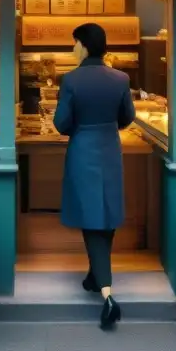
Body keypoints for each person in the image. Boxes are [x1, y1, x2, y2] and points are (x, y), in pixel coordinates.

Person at [52, 22, 135, 330]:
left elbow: (62, 123)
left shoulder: (71, 79)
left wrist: (78, 125)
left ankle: (108, 295)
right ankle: (93, 276)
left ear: (84, 46)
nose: (73, 49)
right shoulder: (121, 78)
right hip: (110, 150)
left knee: (91, 216)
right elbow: (127, 117)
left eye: (74, 43)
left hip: (83, 151)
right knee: (106, 212)